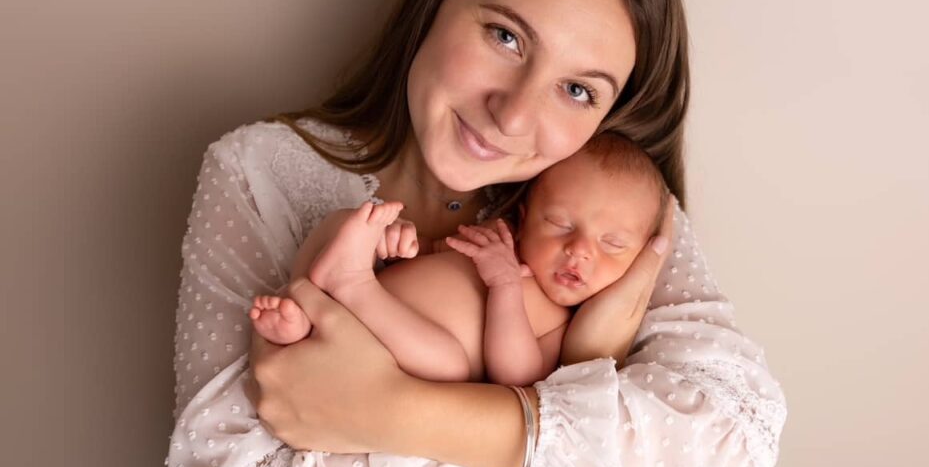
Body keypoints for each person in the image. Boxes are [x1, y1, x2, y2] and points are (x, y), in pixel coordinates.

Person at [166, 0, 787, 467]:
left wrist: (391, 409)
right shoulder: (264, 172)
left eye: (577, 90)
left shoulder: (605, 206)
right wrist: (547, 436)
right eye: (507, 38)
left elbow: (730, 450)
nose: (515, 114)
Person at [246, 132, 670, 389]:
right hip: (354, 314)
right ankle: (305, 316)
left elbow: (516, 377)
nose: (580, 249)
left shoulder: (560, 321)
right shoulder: (496, 241)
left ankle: (347, 289)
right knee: (345, 222)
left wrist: (505, 287)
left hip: (388, 364)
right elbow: (432, 251)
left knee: (450, 364)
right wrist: (396, 242)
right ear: (524, 219)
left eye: (612, 244)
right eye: (559, 223)